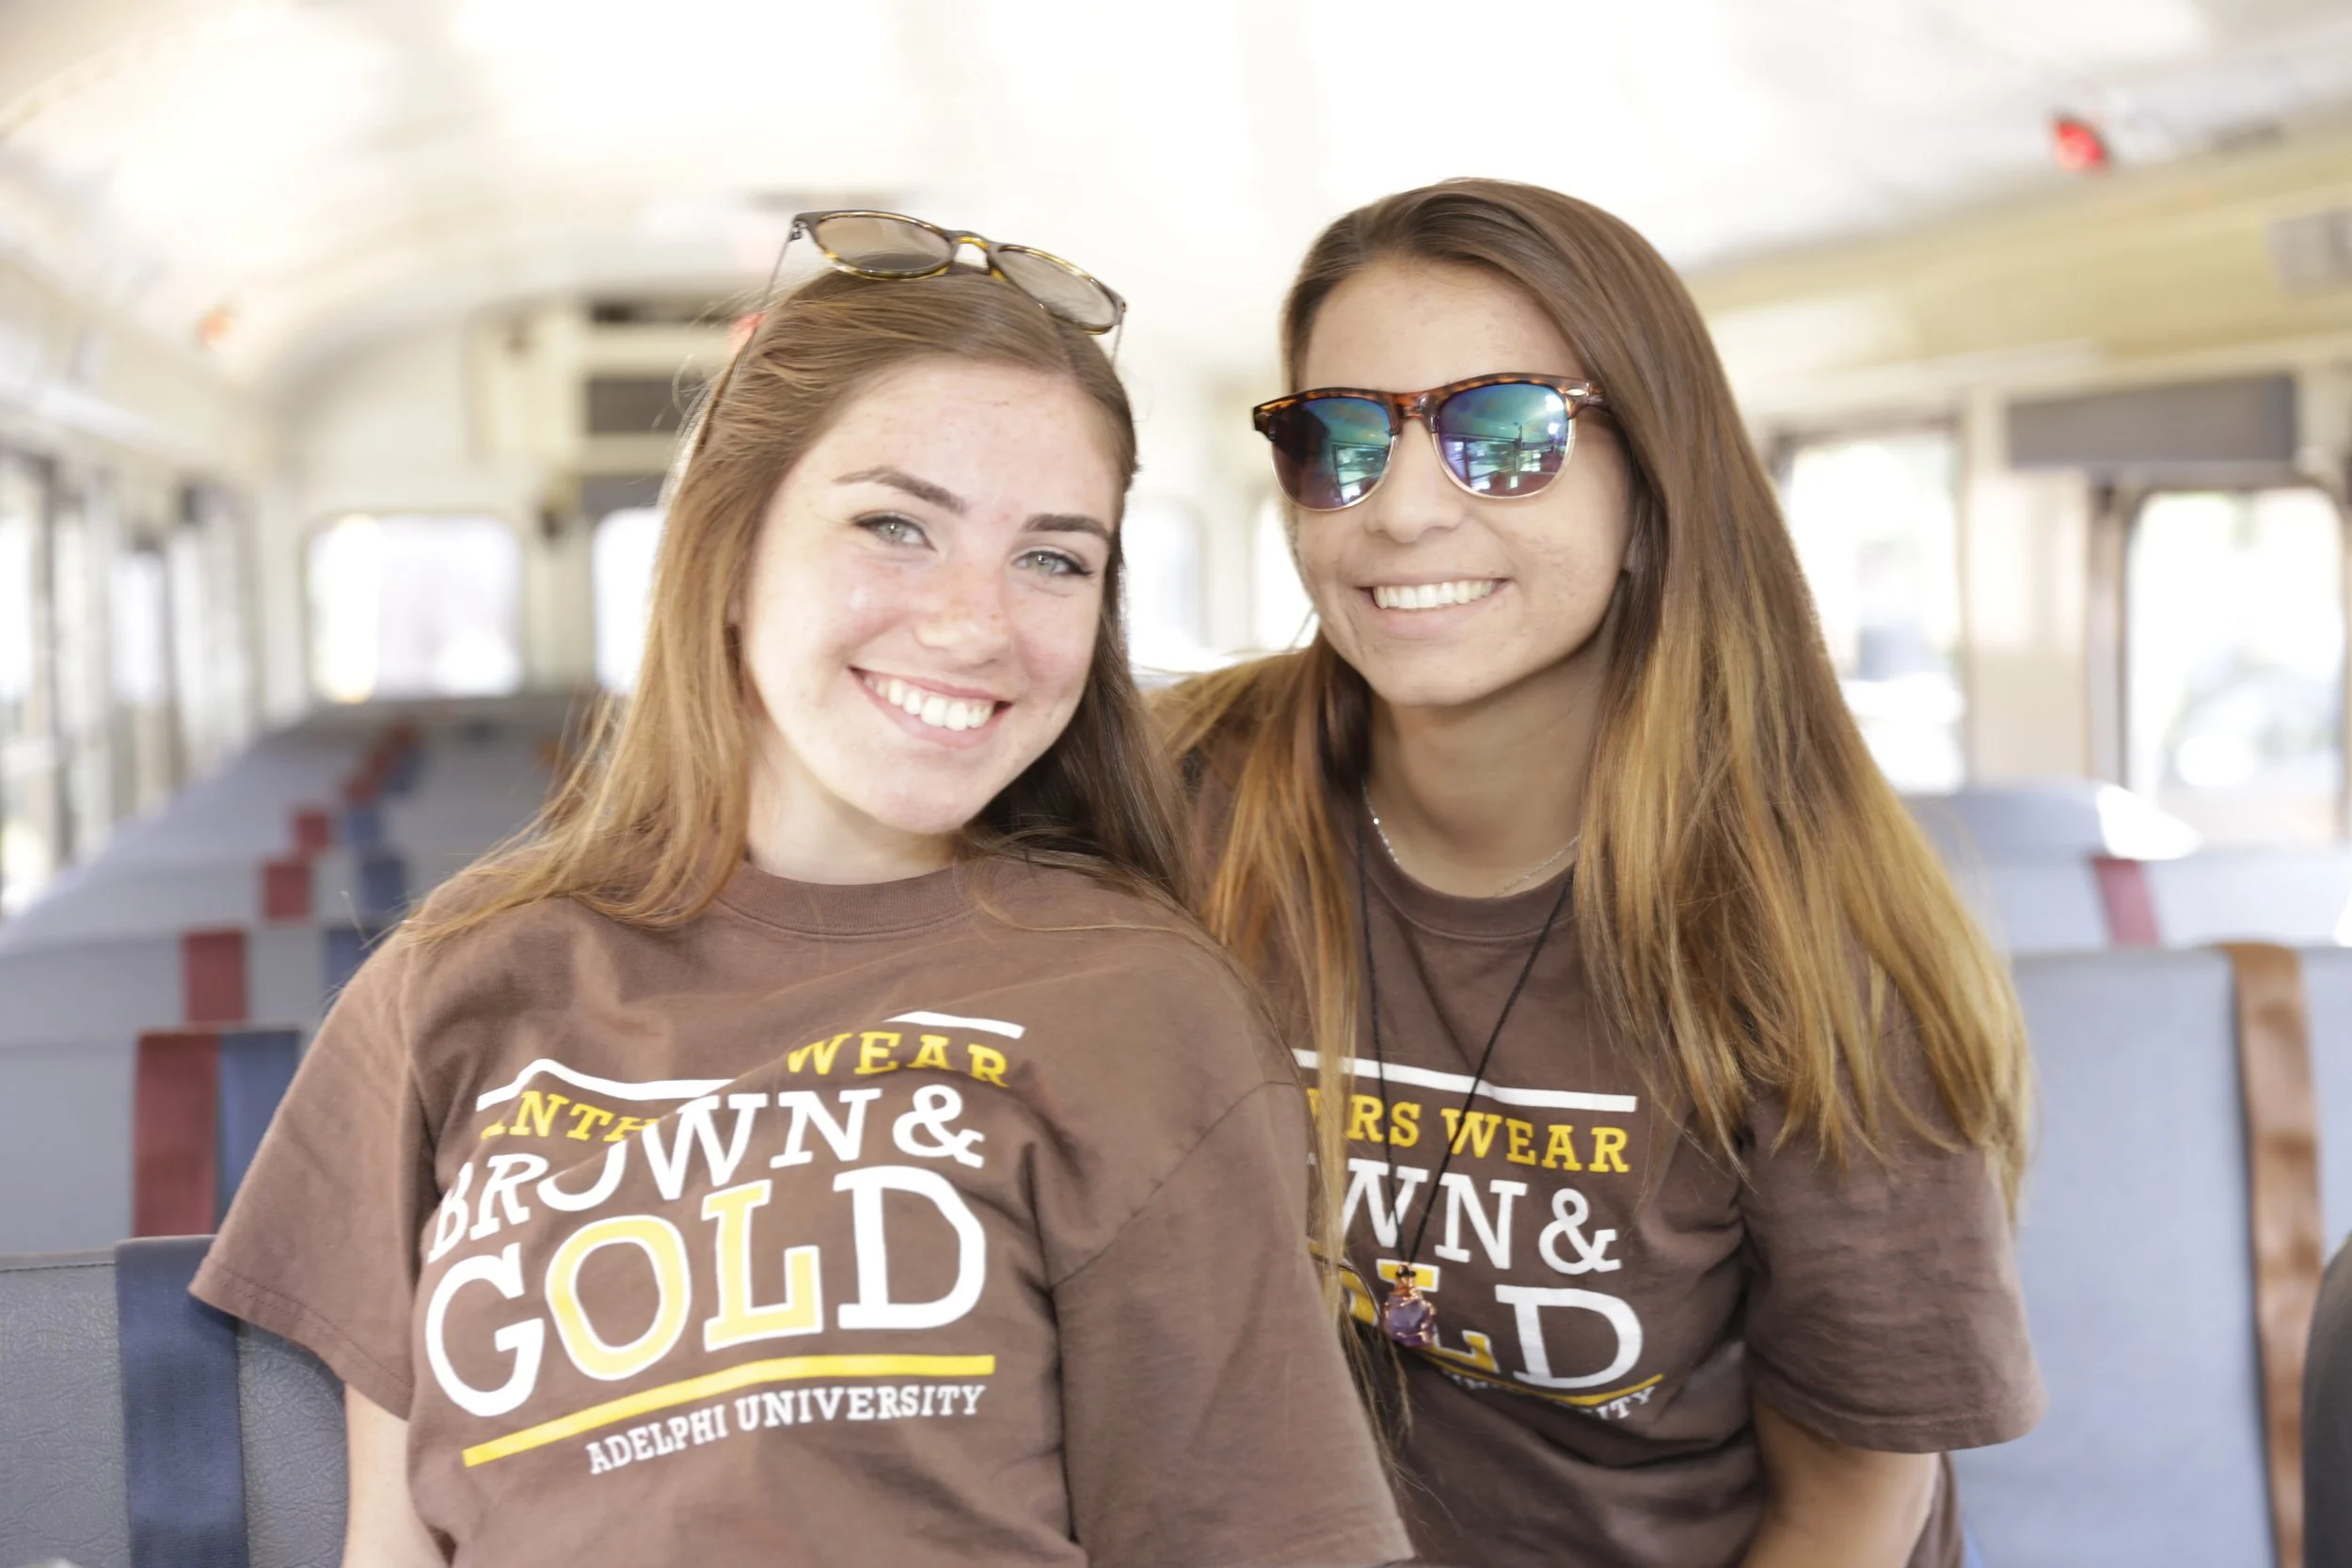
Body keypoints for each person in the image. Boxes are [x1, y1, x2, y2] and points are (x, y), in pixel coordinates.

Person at [195, 212, 1409, 1568]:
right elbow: (390, 1539)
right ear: (730, 550)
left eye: (1054, 557)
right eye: (896, 526)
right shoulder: (458, 980)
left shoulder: (1141, 1006)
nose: (974, 622)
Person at [1163, 180, 2042, 1568]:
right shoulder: (1181, 796)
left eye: (1500, 435)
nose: (1395, 512)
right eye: (1336, 439)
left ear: (1652, 483)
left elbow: (1853, 1507)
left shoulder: (1812, 944)